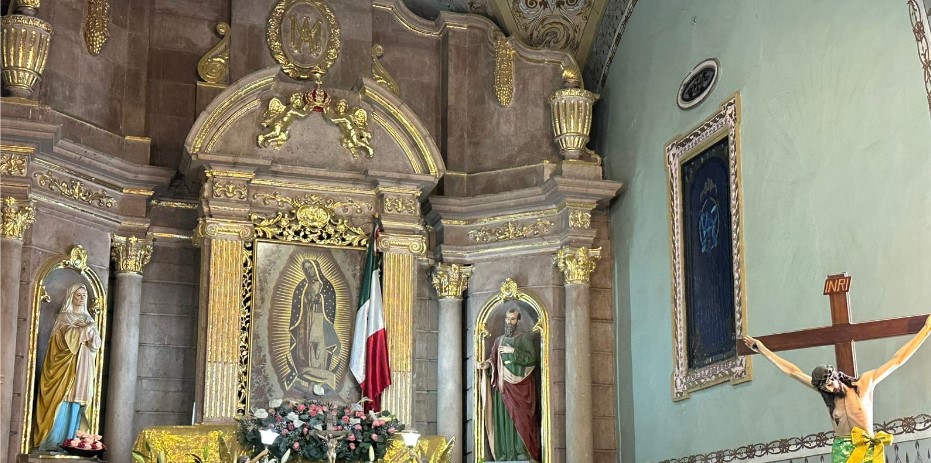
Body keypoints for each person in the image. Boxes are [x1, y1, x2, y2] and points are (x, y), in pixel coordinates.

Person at [743, 314, 931, 462]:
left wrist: (926, 329)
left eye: (831, 383)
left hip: (867, 448)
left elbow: (896, 360)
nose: (831, 389)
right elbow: (793, 371)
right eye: (825, 387)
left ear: (836, 375)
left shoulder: (864, 384)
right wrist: (762, 350)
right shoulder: (827, 395)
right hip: (842, 450)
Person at [33, 283, 102, 451]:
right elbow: (63, 343)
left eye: (83, 295)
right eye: (78, 295)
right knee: (63, 401)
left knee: (77, 403)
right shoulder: (64, 317)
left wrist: (90, 333)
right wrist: (85, 330)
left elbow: (96, 345)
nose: (81, 298)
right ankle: (53, 442)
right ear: (71, 297)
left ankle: (73, 442)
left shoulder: (89, 319)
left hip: (83, 368)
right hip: (64, 370)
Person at [477, 308, 541, 461]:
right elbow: (493, 358)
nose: (509, 322)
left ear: (518, 321)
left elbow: (532, 359)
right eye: (507, 319)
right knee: (503, 418)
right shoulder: (499, 340)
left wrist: (513, 351)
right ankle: (505, 453)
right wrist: (486, 364)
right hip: (503, 386)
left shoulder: (524, 339)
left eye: (512, 319)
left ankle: (522, 452)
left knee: (521, 418)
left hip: (521, 386)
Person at [288, 259, 339, 389]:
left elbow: (330, 303)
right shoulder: (302, 285)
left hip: (319, 319)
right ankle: (307, 379)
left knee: (317, 348)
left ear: (316, 268)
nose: (308, 271)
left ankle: (318, 381)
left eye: (310, 268)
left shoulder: (326, 285)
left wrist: (320, 298)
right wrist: (304, 300)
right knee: (303, 347)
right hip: (304, 320)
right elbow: (297, 303)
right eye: (306, 269)